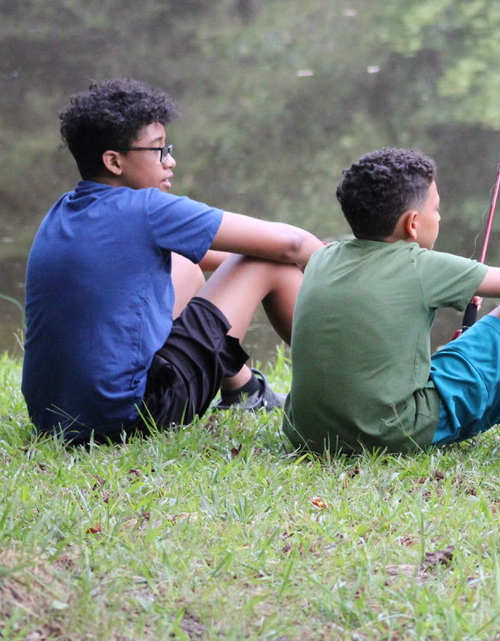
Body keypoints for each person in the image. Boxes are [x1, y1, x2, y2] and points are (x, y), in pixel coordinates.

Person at [22, 78, 325, 444]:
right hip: (129, 419)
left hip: (54, 417)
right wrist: (338, 263)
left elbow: (205, 253)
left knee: (185, 265)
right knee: (271, 263)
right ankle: (340, 392)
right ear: (114, 161)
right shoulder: (147, 209)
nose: (170, 161)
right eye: (158, 150)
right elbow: (292, 244)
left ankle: (244, 391)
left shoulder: (64, 210)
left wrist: (263, 253)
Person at [282, 148, 500, 455]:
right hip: (392, 432)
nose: (439, 217)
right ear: (412, 223)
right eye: (436, 209)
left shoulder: (322, 257)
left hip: (307, 432)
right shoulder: (420, 264)